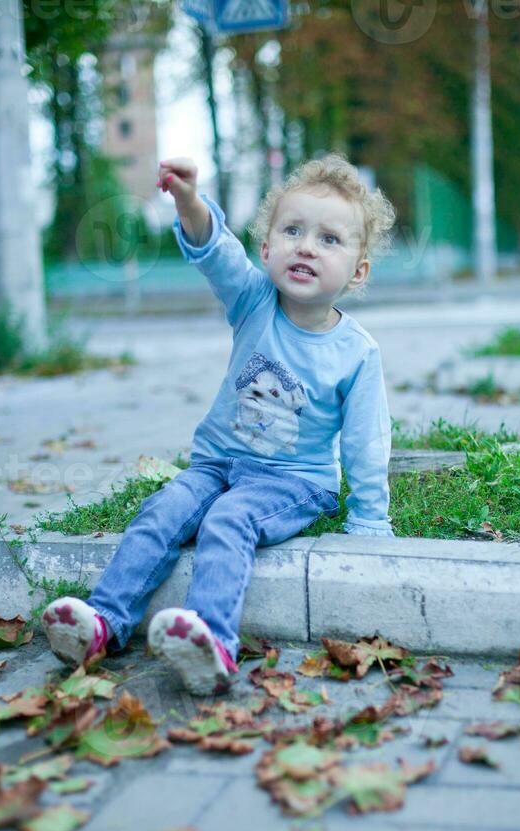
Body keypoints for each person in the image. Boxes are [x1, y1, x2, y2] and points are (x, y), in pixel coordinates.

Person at [42, 153, 397, 695]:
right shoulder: (254, 300)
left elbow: (366, 444)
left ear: (359, 270)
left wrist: (369, 523)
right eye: (293, 231)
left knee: (229, 520)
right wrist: (186, 199)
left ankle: (213, 644)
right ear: (266, 248)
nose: (306, 246)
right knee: (164, 508)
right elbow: (217, 253)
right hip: (216, 464)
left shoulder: (356, 353)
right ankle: (103, 623)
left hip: (295, 482)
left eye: (330, 240)